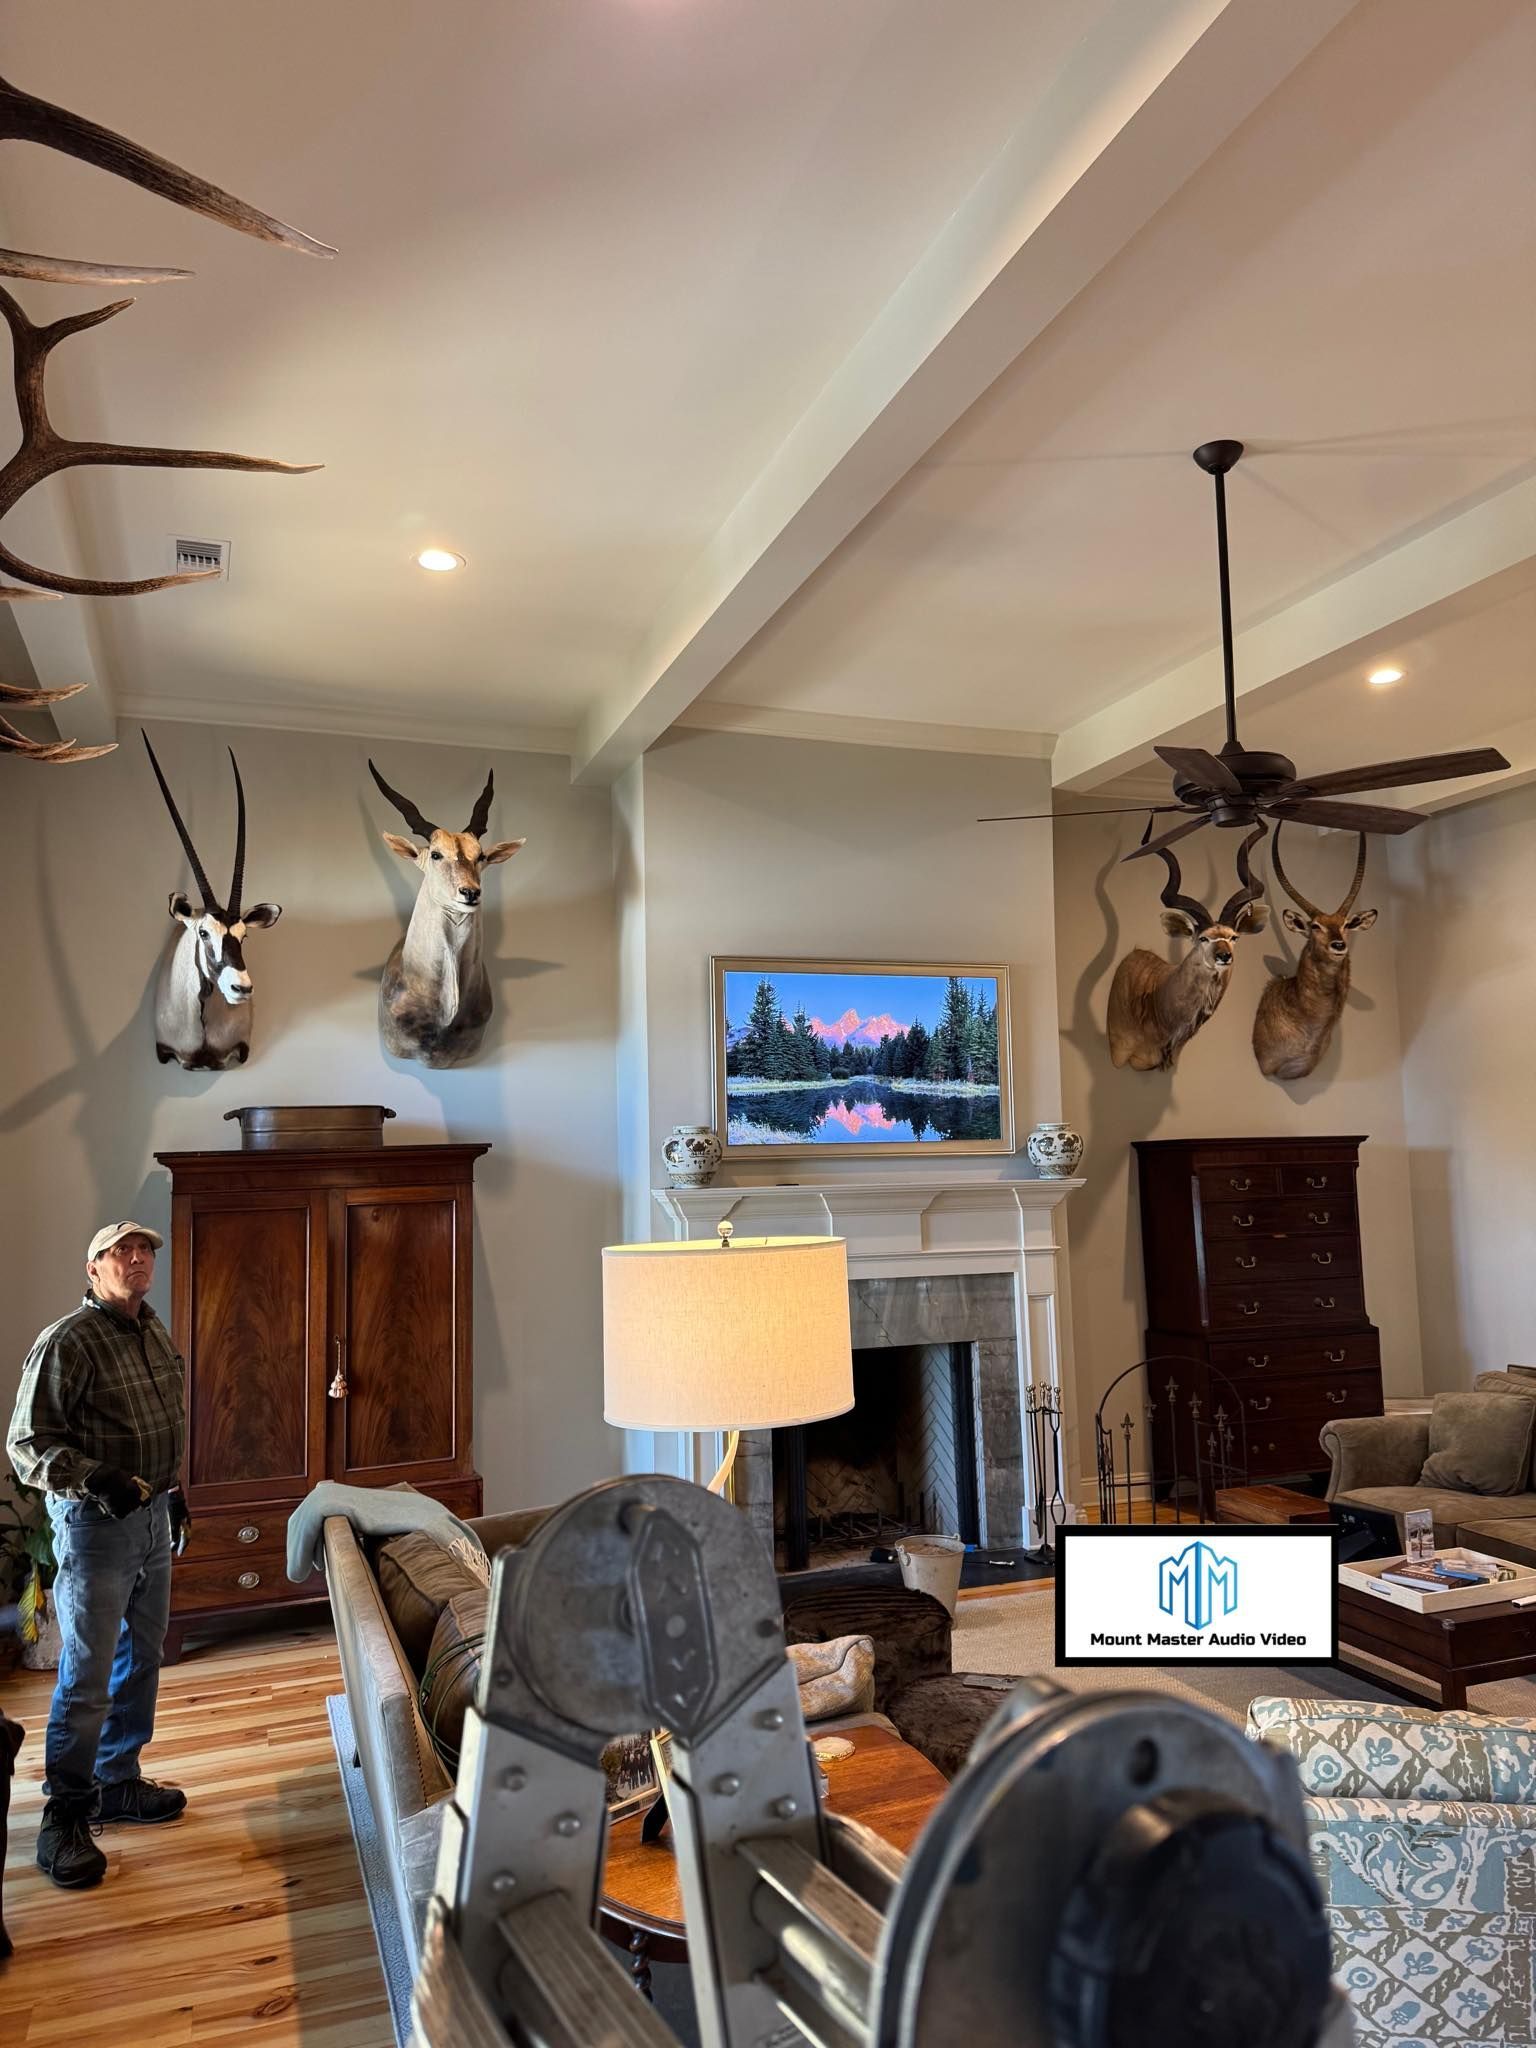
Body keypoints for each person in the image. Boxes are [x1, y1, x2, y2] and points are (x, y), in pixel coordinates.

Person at [6, 1221, 192, 1889]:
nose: (137, 1260)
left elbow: (164, 1418)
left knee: (142, 1655)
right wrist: (98, 1477)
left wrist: (172, 1494)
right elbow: (27, 1445)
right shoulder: (67, 1341)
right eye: (121, 1252)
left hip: (150, 1519)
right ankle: (66, 1814)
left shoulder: (151, 1328)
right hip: (96, 1526)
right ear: (93, 1269)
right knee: (87, 1674)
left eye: (144, 1251)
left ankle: (117, 1781)